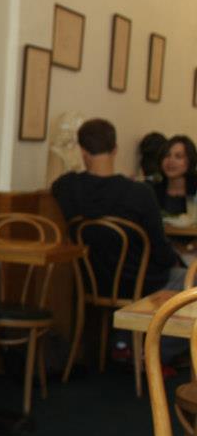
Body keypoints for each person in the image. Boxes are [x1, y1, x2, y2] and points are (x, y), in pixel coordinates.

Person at [52, 119, 186, 365]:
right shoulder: (139, 193)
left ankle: (124, 342)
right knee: (188, 281)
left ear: (82, 151)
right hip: (141, 281)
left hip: (91, 279)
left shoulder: (67, 188)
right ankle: (152, 352)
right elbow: (161, 253)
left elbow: (59, 181)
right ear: (115, 149)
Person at [150, 135, 197, 216]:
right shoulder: (152, 191)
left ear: (190, 160)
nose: (171, 161)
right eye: (167, 155)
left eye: (178, 156)